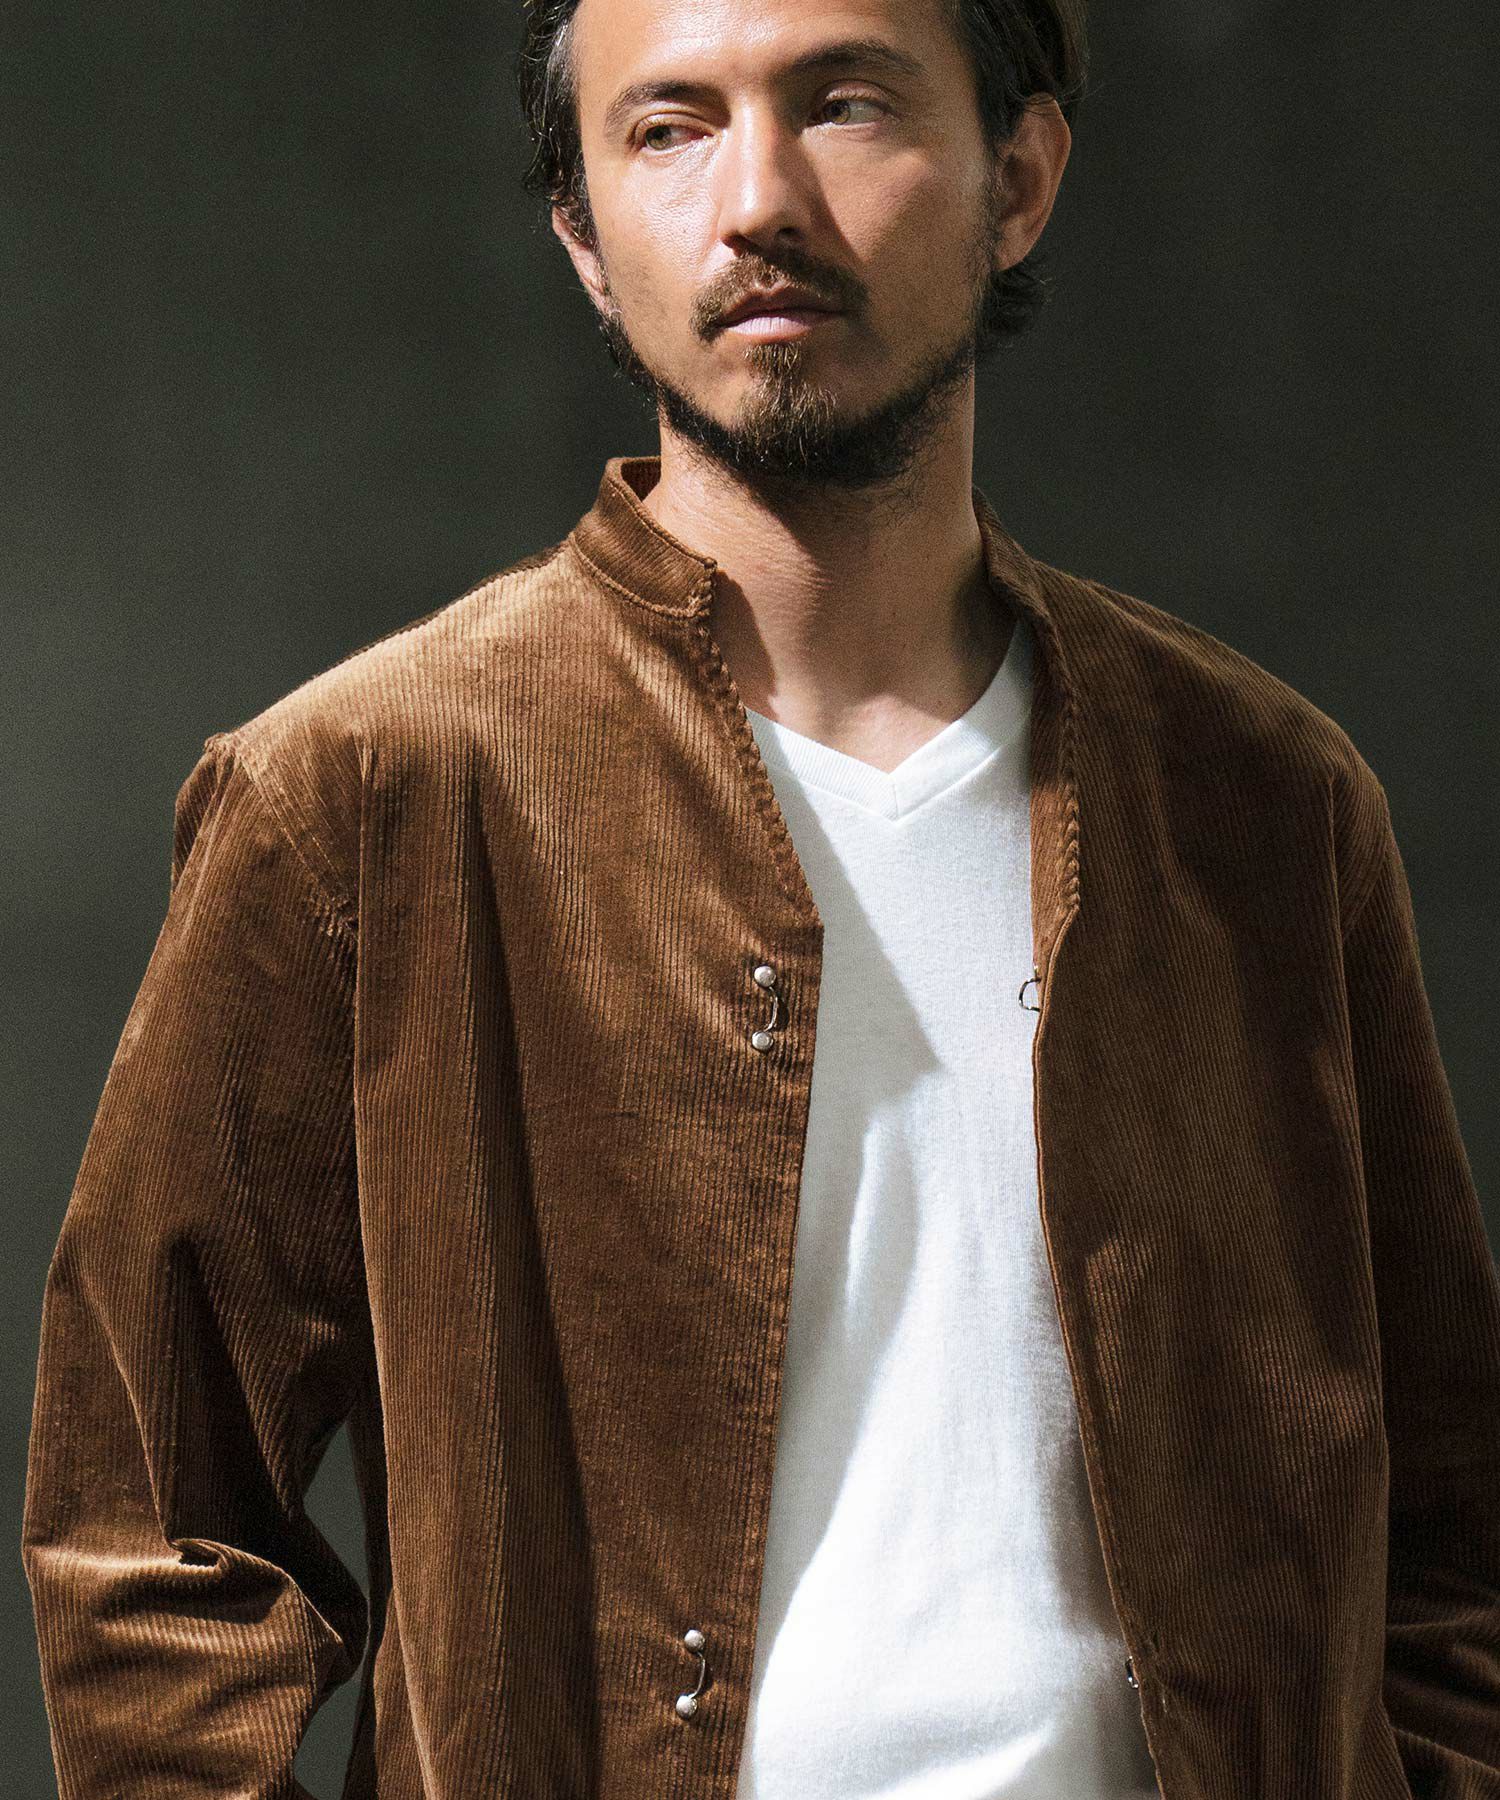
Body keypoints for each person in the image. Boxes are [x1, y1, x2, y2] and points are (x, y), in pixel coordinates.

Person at [22, 0, 1500, 1796]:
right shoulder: (361, 800)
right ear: (584, 234)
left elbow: (1452, 1535)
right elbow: (149, 1537)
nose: (758, 200)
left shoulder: (1261, 804)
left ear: (1020, 177)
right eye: (669, 129)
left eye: (846, 102)